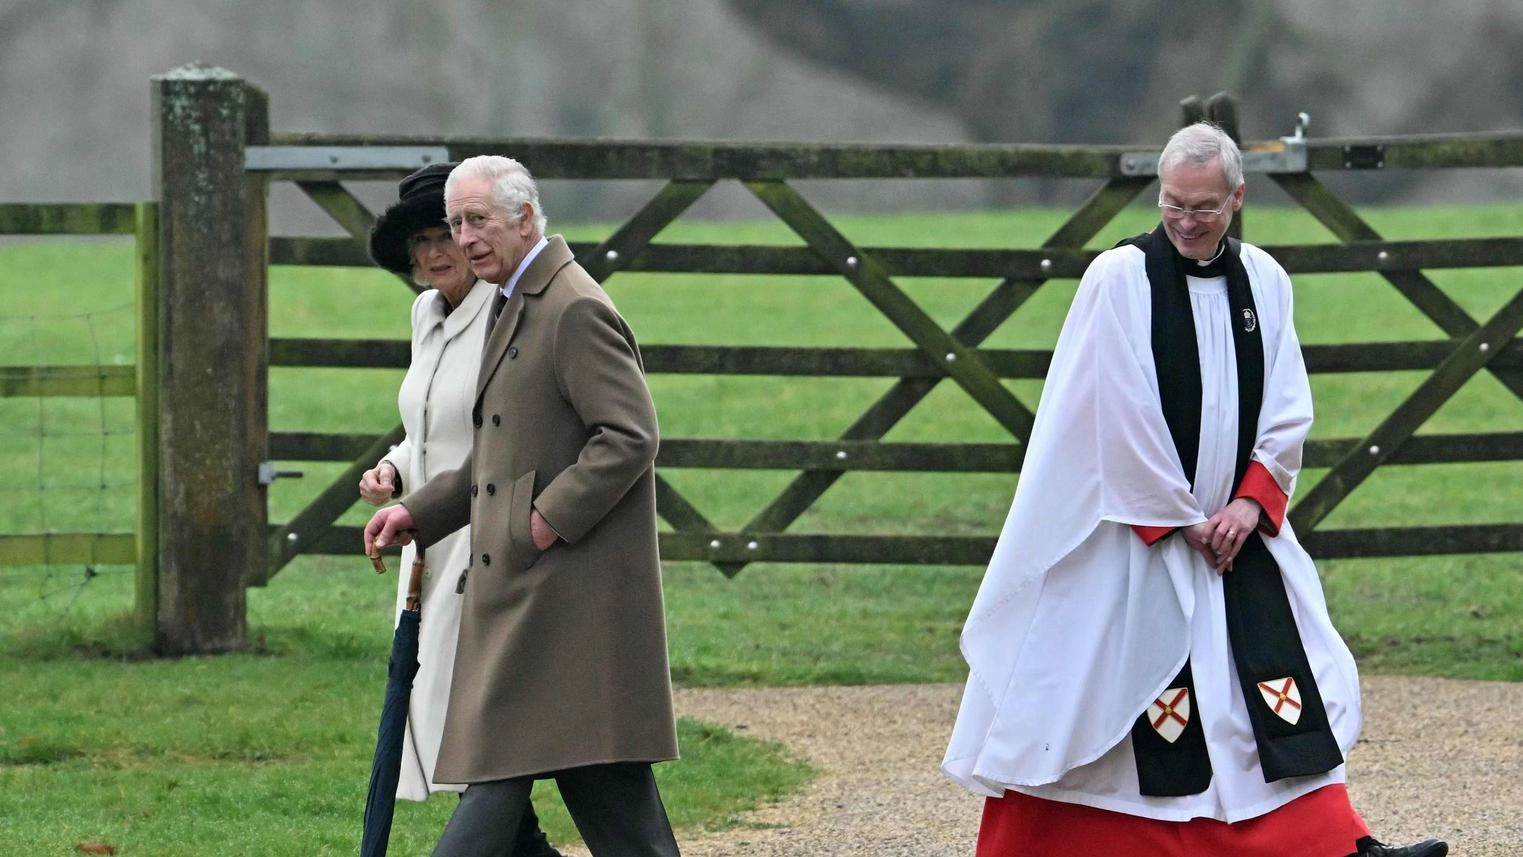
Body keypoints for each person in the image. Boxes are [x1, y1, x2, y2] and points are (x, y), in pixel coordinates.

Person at [942, 123, 1446, 857]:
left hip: (1235, 540)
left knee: (1270, 704)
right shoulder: (1118, 279)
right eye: (1172, 204)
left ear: (1236, 200)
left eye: (1203, 208)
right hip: (1133, 539)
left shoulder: (1265, 281)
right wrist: (1178, 518)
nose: (1184, 221)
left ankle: (1342, 848)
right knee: (1100, 708)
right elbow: (1113, 408)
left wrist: (1248, 503)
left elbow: (1285, 405)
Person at [363, 155, 681, 857]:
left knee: (499, 781)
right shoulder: (514, 300)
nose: (464, 237)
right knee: (611, 799)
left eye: (477, 220)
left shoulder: (573, 306)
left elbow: (629, 435)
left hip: (565, 597)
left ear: (525, 218)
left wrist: (543, 520)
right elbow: (501, 455)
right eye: (455, 223)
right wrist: (420, 510)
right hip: (538, 594)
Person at [359, 161, 562, 857]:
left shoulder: (505, 315)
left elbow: (506, 435)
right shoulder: (426, 314)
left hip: (490, 539)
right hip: (429, 539)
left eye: (447, 231)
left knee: (478, 731)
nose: (435, 251)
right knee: (466, 729)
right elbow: (428, 427)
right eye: (420, 243)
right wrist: (393, 467)